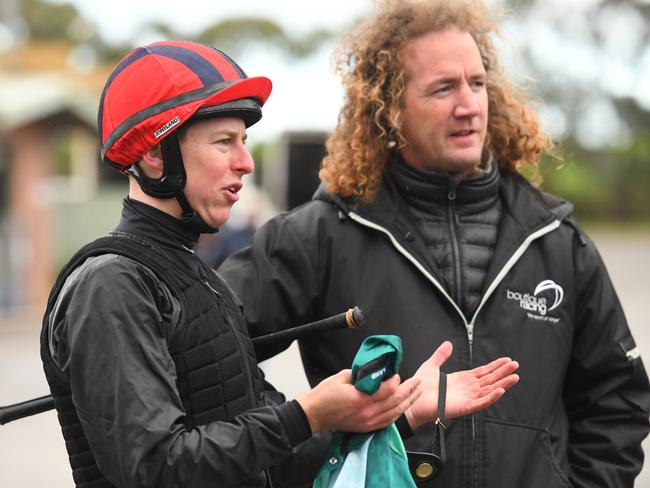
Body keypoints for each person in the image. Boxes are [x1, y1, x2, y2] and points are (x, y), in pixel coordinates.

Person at [39, 40, 519, 488]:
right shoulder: (110, 285)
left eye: (244, 140)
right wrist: (308, 413)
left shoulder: (202, 280)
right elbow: (155, 468)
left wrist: (401, 412)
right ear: (153, 155)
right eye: (224, 141)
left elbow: (276, 463)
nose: (246, 161)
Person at [218, 1, 650, 487]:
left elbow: (616, 402)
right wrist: (310, 438)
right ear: (391, 108)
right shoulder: (318, 236)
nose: (468, 105)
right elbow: (201, 348)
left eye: (477, 83)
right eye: (443, 88)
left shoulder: (557, 241)